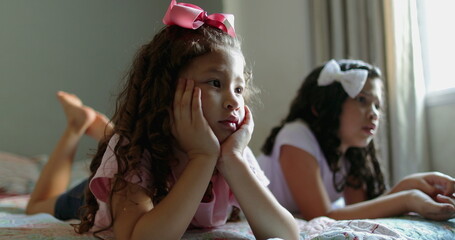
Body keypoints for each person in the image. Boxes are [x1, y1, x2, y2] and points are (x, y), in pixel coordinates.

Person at [26, 1, 300, 239]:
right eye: (216, 83)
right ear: (167, 91)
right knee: (36, 206)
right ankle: (76, 126)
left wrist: (232, 160)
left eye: (239, 89)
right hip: (110, 194)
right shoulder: (132, 150)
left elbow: (286, 234)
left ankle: (101, 128)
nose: (234, 101)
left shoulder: (231, 149)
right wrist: (202, 157)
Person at [258, 59, 455, 221]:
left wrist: (408, 185)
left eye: (377, 105)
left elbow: (359, 211)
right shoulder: (296, 135)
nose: (374, 114)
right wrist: (407, 199)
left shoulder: (350, 153)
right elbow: (320, 215)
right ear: (326, 105)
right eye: (362, 100)